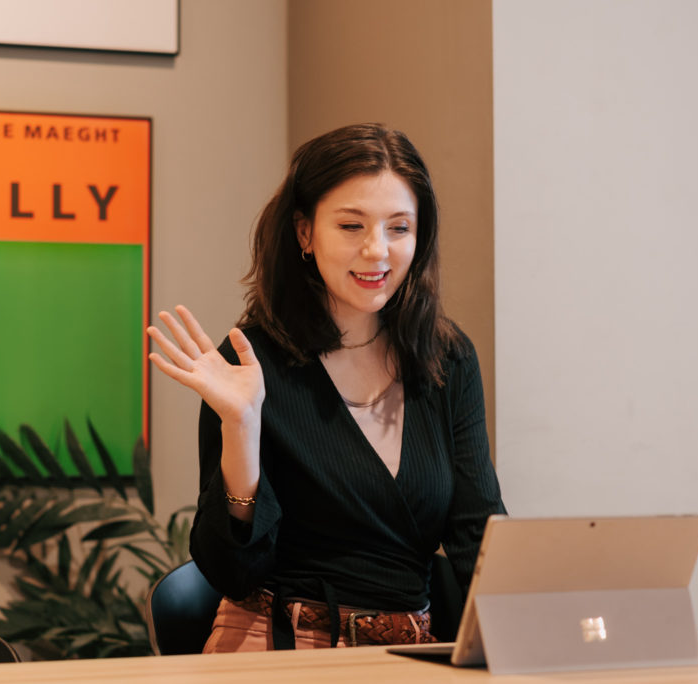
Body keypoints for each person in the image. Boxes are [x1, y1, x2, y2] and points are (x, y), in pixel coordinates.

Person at [146, 123, 505, 652]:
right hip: (276, 645)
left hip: (407, 656)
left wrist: (537, 639)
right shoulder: (249, 364)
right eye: (351, 226)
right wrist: (242, 428)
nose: (376, 251)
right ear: (305, 233)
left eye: (398, 228)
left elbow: (479, 536)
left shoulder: (447, 359)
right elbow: (233, 572)